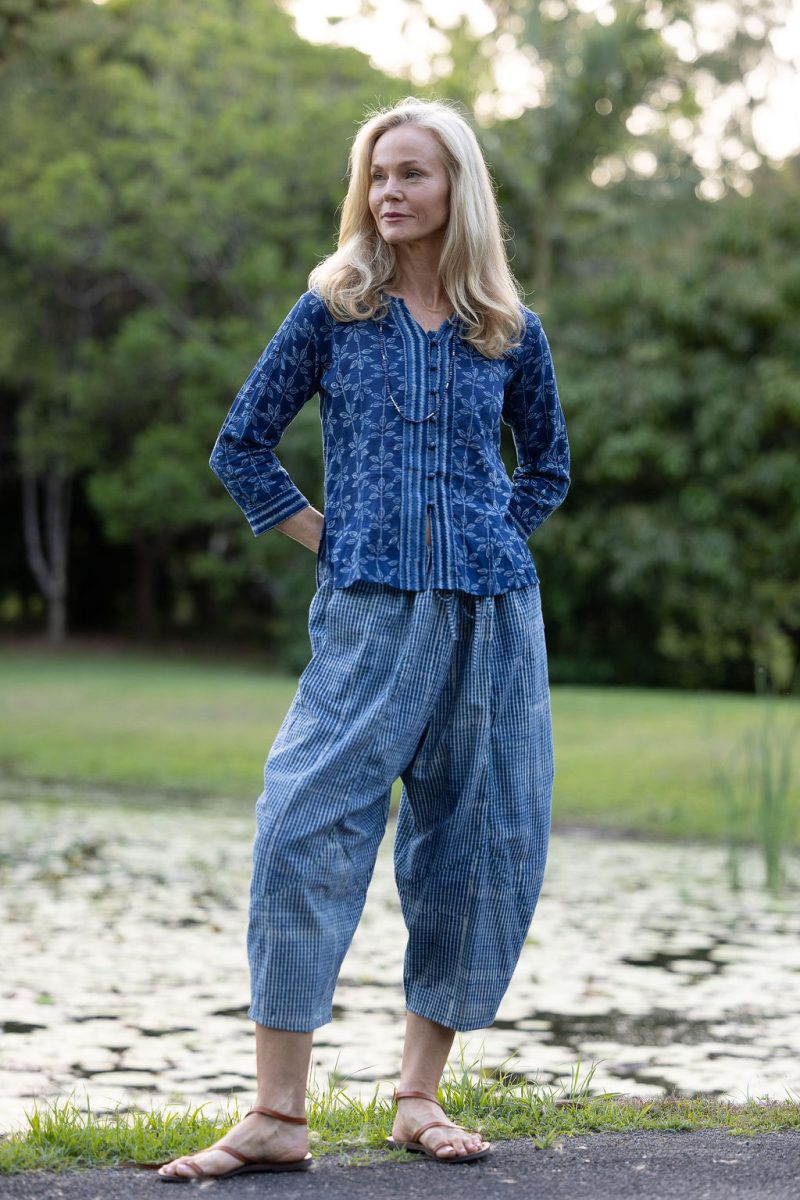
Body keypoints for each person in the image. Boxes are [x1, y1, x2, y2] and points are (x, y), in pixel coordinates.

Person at [157, 95, 569, 1182]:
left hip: (490, 620)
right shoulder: (333, 309)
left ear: (456, 189)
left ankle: (417, 1098)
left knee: (475, 843)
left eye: (411, 173)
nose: (389, 191)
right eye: (377, 174)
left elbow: (548, 466)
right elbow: (241, 444)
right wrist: (328, 537)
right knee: (300, 823)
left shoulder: (506, 329)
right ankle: (276, 1116)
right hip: (367, 613)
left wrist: (488, 538)